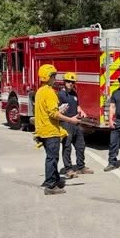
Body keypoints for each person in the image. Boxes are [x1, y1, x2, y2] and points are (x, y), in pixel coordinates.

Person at [34, 64, 71, 195]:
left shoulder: (40, 91)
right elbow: (53, 114)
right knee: (52, 158)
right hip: (50, 131)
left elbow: (46, 111)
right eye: (53, 76)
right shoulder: (49, 92)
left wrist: (58, 110)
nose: (55, 78)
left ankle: (55, 180)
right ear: (48, 77)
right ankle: (50, 185)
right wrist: (71, 120)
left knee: (51, 157)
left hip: (43, 130)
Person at [57, 72, 93, 179]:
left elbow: (78, 107)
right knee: (67, 147)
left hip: (76, 123)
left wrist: (82, 112)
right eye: (68, 81)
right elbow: (57, 110)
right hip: (66, 123)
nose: (70, 84)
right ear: (64, 82)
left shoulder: (74, 93)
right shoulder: (60, 94)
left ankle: (81, 166)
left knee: (80, 145)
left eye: (72, 82)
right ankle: (68, 169)